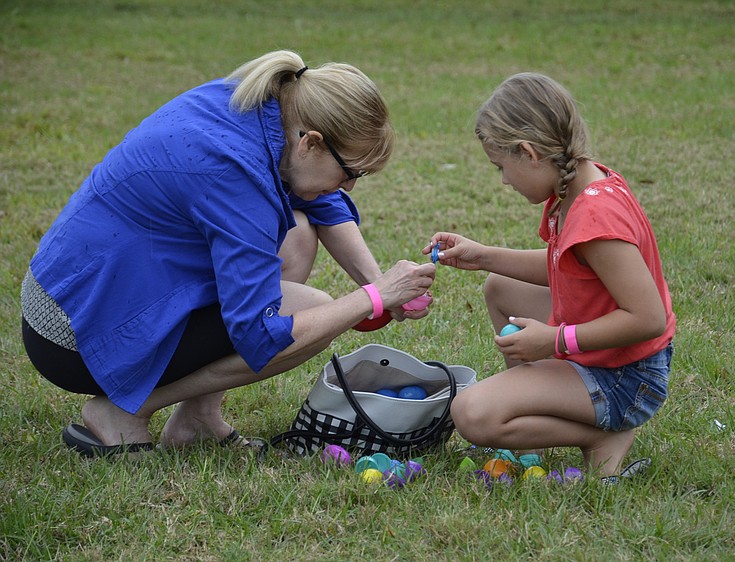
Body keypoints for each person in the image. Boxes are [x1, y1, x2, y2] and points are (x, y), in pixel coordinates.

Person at [21, 50, 435, 456]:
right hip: (71, 337)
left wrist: (374, 280)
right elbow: (259, 334)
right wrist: (370, 298)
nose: (350, 187)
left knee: (300, 233)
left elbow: (317, 198)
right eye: (350, 173)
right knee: (313, 310)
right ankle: (121, 412)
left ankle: (197, 420)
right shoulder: (233, 174)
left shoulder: (262, 104)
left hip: (72, 293)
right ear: (311, 142)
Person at [425, 73, 675, 479]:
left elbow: (648, 318)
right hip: (609, 357)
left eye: (502, 167)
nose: (504, 180)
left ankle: (600, 437)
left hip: (626, 379)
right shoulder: (575, 184)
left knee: (471, 414)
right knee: (501, 288)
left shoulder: (595, 215)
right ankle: (538, 405)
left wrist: (554, 340)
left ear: (529, 152)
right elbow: (569, 268)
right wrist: (484, 256)